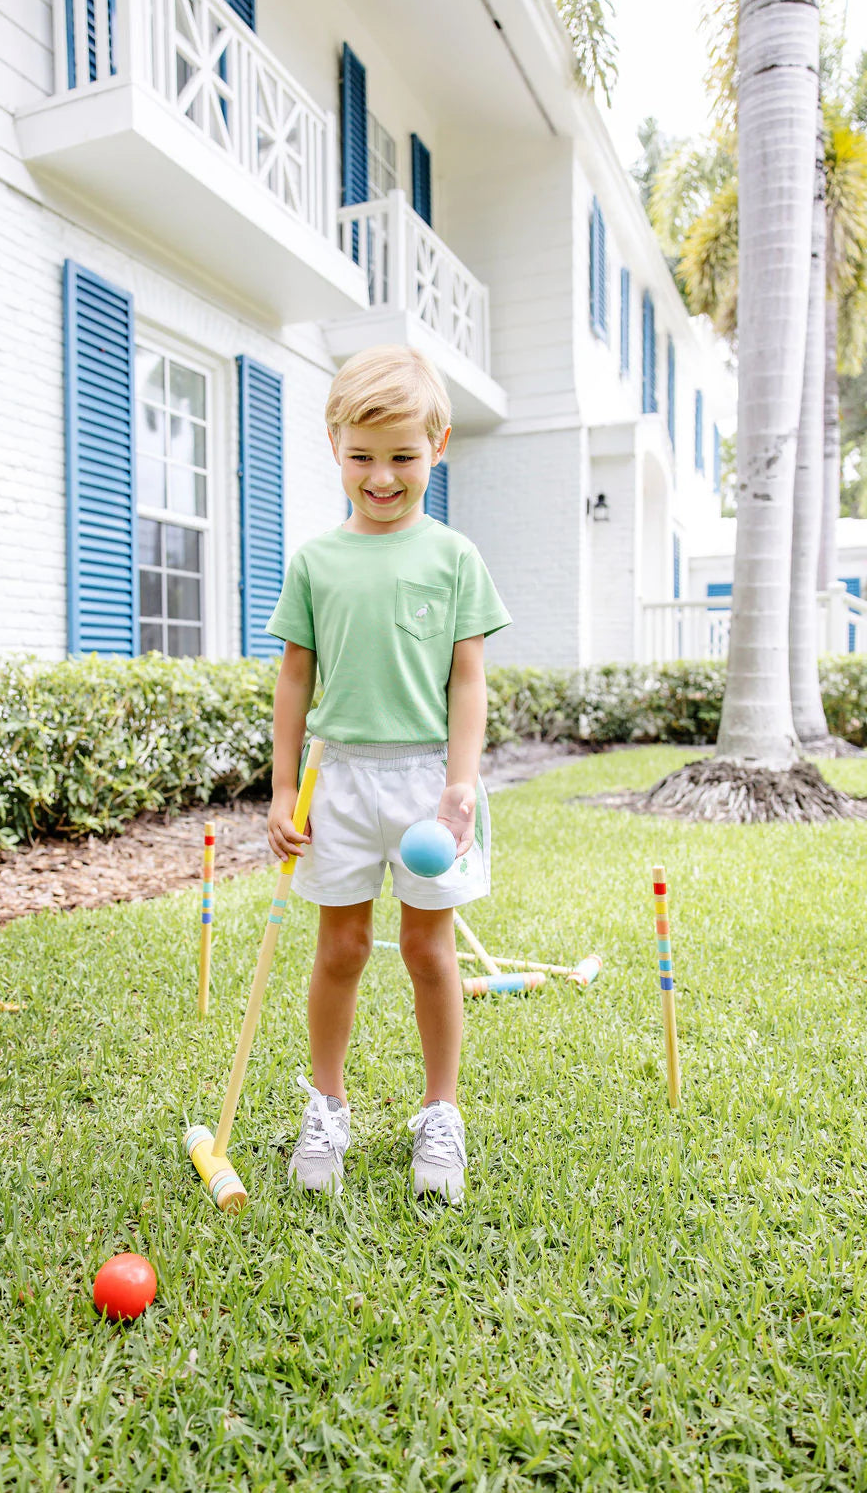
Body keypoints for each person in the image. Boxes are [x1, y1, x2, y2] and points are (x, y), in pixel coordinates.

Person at [265, 344, 511, 1206]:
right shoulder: (316, 561)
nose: (381, 475)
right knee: (340, 946)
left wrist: (460, 782)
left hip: (424, 783)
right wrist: (279, 784)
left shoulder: (454, 559)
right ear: (334, 444)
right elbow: (295, 678)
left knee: (426, 947)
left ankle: (441, 1110)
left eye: (403, 455)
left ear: (437, 445)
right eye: (362, 455)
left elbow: (468, 679)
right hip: (337, 778)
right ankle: (326, 1104)